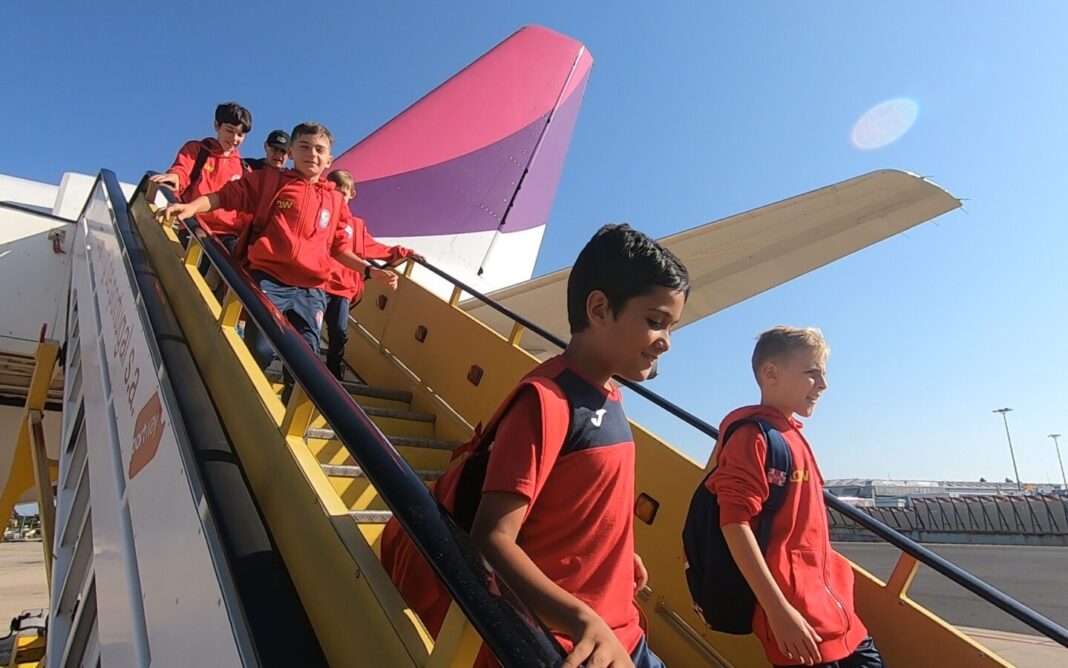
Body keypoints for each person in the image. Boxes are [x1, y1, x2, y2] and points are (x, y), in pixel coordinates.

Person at [382, 224, 689, 668]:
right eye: (656, 322)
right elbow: (492, 538)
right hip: (572, 644)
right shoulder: (547, 402)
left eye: (671, 327)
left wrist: (616, 555)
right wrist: (580, 619)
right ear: (600, 309)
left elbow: (575, 503)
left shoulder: (610, 396)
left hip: (620, 628)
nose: (666, 341)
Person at [155, 121, 399, 401]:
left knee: (307, 366)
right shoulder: (270, 182)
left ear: (329, 160)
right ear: (291, 152)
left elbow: (339, 247)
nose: (312, 154)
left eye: (319, 150)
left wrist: (370, 271)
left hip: (312, 290)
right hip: (270, 280)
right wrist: (190, 207)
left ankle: (285, 409)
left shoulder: (335, 201)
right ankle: (237, 398)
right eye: (304, 147)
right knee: (262, 350)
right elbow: (225, 196)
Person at [707, 327, 882, 667]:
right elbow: (734, 523)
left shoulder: (791, 436)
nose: (823, 384)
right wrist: (778, 611)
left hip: (837, 614)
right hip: (797, 622)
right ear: (771, 373)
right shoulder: (754, 438)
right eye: (812, 373)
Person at [321, 169, 421, 380]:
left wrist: (405, 253)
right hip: (319, 281)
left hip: (343, 288)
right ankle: (304, 370)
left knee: (339, 331)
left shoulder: (356, 226)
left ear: (352, 195)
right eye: (335, 192)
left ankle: (333, 371)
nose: (339, 197)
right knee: (309, 327)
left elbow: (374, 248)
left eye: (343, 194)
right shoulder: (322, 214)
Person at [149, 101, 253, 253]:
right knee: (200, 248)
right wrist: (174, 176)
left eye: (240, 135)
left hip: (227, 233)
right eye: (230, 131)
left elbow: (246, 208)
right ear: (217, 126)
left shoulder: (244, 169)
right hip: (193, 222)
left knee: (232, 261)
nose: (234, 139)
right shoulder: (198, 150)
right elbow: (182, 170)